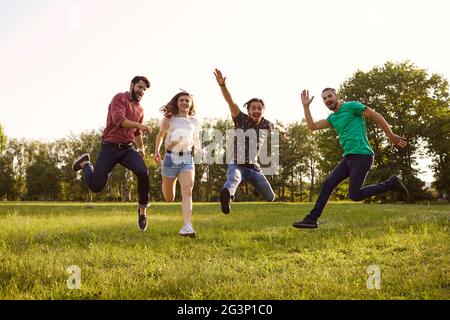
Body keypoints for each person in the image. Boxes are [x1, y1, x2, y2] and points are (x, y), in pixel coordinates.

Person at [293, 88, 409, 229]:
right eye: (324, 98)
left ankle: (391, 183)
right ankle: (311, 219)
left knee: (355, 195)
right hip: (348, 158)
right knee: (328, 184)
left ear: (337, 96)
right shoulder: (333, 118)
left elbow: (375, 115)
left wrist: (390, 135)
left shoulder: (352, 106)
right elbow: (312, 126)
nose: (327, 99)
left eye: (330, 96)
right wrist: (306, 107)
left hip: (362, 155)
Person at [72, 76, 152, 231]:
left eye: (144, 89)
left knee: (143, 172)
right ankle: (85, 163)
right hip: (110, 147)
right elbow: (119, 120)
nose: (141, 91)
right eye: (139, 87)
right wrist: (140, 125)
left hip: (127, 149)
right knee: (96, 186)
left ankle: (142, 211)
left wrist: (141, 148)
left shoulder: (140, 109)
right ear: (132, 85)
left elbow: (136, 133)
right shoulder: (120, 98)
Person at [213, 68, 286, 214]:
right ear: (248, 110)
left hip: (254, 168)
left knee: (271, 197)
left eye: (259, 108)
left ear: (263, 111)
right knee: (233, 180)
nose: (256, 111)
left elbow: (277, 127)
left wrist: (284, 131)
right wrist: (222, 85)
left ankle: (257, 188)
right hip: (237, 164)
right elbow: (230, 101)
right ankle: (227, 200)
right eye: (253, 108)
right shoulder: (241, 119)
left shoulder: (266, 123)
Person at [154, 91, 202, 238]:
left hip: (187, 158)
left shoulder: (194, 121)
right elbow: (160, 135)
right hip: (170, 158)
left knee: (187, 191)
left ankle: (187, 226)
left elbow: (196, 139)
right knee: (169, 198)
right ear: (177, 102)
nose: (184, 103)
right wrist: (156, 151)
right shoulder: (169, 118)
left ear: (191, 104)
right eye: (181, 100)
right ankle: (165, 178)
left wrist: (199, 151)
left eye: (187, 100)